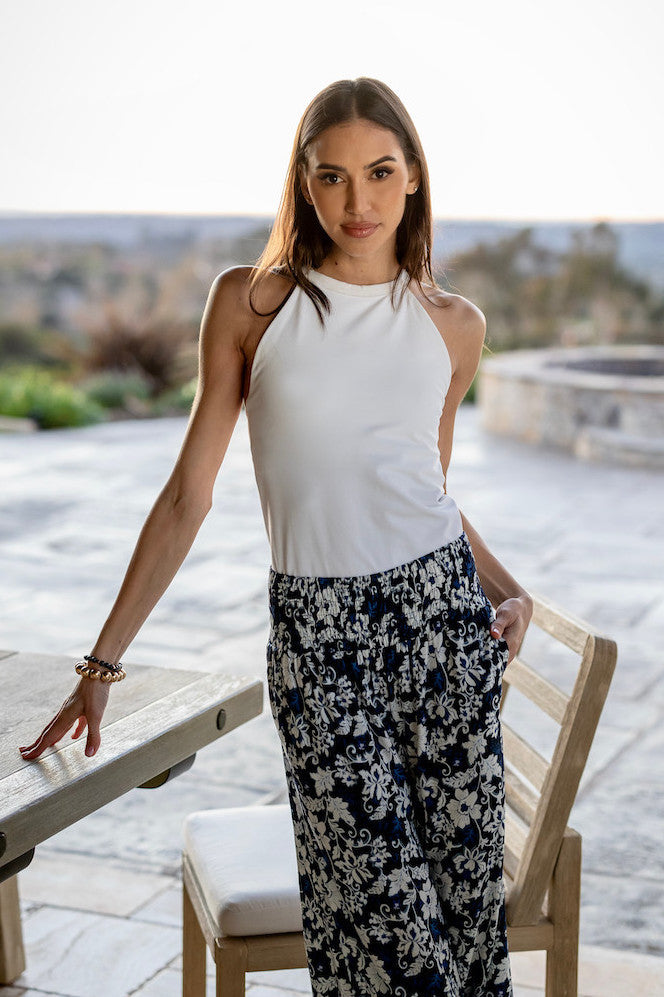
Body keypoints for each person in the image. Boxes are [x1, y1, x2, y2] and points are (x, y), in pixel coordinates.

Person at [19, 77, 532, 996]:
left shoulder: (454, 327)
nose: (358, 200)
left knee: (465, 931)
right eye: (332, 176)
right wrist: (102, 663)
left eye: (380, 172)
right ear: (303, 183)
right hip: (319, 643)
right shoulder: (252, 305)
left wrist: (504, 586)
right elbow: (187, 495)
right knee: (389, 944)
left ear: (414, 175)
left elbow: (423, 487)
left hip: (446, 631)